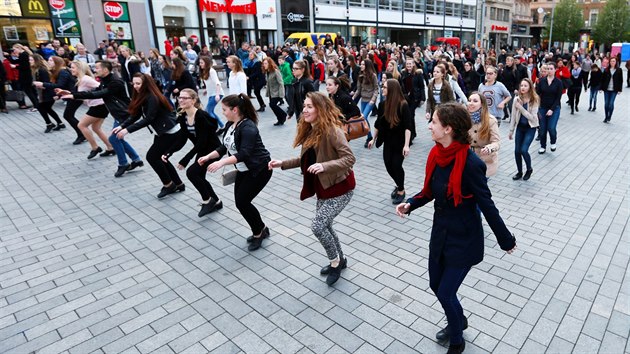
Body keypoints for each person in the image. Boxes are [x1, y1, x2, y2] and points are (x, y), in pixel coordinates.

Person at [395, 102, 517, 354]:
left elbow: (487, 205)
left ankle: (457, 340)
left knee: (446, 292)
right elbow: (430, 191)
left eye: (434, 122)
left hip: (464, 237)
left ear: (448, 128)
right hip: (440, 232)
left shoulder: (471, 165)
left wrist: (506, 240)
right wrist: (411, 204)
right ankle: (458, 320)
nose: (429, 125)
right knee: (435, 285)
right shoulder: (436, 154)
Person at [268, 92, 356, 285]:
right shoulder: (311, 130)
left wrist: (325, 166)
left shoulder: (333, 131)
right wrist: (282, 163)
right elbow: (307, 161)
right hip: (323, 187)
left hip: (340, 187)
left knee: (318, 226)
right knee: (326, 225)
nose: (304, 110)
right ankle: (341, 259)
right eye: (304, 106)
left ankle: (335, 263)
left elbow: (349, 158)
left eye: (309, 106)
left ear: (320, 109)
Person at [198, 94, 273, 251]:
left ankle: (259, 233)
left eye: (225, 109)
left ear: (235, 109)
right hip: (243, 170)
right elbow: (223, 147)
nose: (223, 112)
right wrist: (208, 157)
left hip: (259, 169)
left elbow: (244, 153)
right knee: (241, 202)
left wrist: (221, 162)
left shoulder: (248, 128)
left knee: (242, 202)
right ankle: (261, 228)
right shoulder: (230, 125)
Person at [63, 60, 143, 177]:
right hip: (118, 114)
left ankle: (123, 164)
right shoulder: (105, 80)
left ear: (105, 70)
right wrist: (72, 93)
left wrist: (73, 95)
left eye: (97, 68)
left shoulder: (115, 82)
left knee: (114, 139)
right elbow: (95, 91)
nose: (95, 70)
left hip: (124, 114)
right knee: (118, 139)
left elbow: (98, 94)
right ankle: (136, 160)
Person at [113, 73, 184, 198]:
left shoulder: (152, 97)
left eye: (138, 83)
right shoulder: (143, 95)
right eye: (133, 83)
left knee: (152, 157)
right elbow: (136, 115)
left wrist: (127, 130)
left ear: (146, 83)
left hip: (170, 131)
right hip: (162, 132)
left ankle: (169, 185)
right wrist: (122, 126)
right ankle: (178, 184)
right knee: (161, 158)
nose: (135, 86)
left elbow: (149, 118)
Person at [163, 88, 222, 216]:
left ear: (193, 100)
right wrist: (169, 152)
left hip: (213, 150)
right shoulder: (183, 116)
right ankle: (216, 202)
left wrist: (186, 159)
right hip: (202, 150)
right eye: (180, 97)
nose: (181, 100)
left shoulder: (201, 116)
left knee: (192, 173)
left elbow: (202, 142)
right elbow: (182, 139)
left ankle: (208, 201)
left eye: (185, 98)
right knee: (198, 175)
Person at [367, 79, 412, 204]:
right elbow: (378, 124)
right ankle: (398, 185)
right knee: (388, 165)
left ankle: (401, 190)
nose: (383, 89)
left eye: (385, 87)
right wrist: (373, 139)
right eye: (383, 87)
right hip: (387, 140)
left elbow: (408, 127)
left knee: (396, 165)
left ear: (392, 89)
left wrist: (407, 145)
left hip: (400, 142)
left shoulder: (403, 105)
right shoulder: (383, 105)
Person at [62, 61, 114, 159]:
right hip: (99, 106)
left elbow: (100, 87)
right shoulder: (81, 79)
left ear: (79, 69)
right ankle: (110, 147)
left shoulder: (85, 79)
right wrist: (67, 93)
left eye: (73, 68)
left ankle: (95, 147)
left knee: (81, 125)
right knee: (96, 128)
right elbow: (82, 96)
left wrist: (100, 95)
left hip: (99, 106)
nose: (71, 69)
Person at [33, 56, 85, 143]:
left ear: (56, 62)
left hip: (74, 95)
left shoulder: (62, 71)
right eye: (48, 60)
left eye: (51, 60)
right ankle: (82, 134)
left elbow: (60, 85)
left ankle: (82, 134)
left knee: (68, 115)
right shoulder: (59, 71)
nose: (48, 62)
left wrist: (43, 84)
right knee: (68, 115)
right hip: (71, 95)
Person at [509, 78, 540, 181]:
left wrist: (521, 108)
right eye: (521, 85)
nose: (523, 88)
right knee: (517, 151)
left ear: (530, 87)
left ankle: (529, 169)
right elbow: (513, 116)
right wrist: (511, 130)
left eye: (525, 86)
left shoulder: (534, 99)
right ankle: (519, 172)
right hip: (520, 128)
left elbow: (532, 118)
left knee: (523, 150)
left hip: (530, 128)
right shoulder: (516, 99)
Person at [467, 92, 500, 178]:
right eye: (469, 100)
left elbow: (496, 142)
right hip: (468, 158)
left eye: (475, 101)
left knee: (479, 188)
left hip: (484, 160)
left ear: (482, 104)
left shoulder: (491, 120)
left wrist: (489, 148)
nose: (471, 103)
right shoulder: (465, 118)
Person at [30, 54, 64, 133]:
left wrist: (42, 86)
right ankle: (59, 123)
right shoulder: (35, 69)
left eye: (31, 60)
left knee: (41, 107)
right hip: (44, 92)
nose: (29, 61)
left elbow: (47, 82)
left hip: (48, 93)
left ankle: (49, 123)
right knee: (46, 108)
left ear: (36, 61)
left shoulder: (42, 70)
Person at [535, 63, 563, 154]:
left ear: (555, 70)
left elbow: (558, 98)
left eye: (551, 69)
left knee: (551, 127)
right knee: (542, 129)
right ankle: (543, 146)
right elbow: (537, 93)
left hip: (554, 108)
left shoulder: (558, 82)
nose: (549, 70)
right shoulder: (542, 81)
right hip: (543, 107)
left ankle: (553, 142)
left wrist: (552, 109)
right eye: (548, 69)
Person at [352, 59, 379, 147]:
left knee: (364, 117)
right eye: (361, 64)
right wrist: (353, 97)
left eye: (363, 64)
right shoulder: (360, 76)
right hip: (363, 99)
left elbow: (376, 89)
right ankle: (369, 137)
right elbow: (358, 90)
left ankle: (370, 137)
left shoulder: (373, 76)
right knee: (364, 119)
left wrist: (373, 99)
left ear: (367, 65)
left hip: (370, 100)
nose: (361, 65)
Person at [198, 56, 224, 128]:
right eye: (200, 63)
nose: (200, 64)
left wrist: (217, 95)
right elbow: (210, 83)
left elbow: (217, 83)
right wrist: (206, 90)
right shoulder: (205, 71)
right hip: (211, 94)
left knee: (208, 111)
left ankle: (216, 126)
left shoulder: (211, 71)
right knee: (211, 111)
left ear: (206, 63)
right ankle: (222, 126)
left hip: (216, 93)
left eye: (202, 63)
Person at [262, 58, 287, 126]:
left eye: (266, 63)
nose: (264, 65)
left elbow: (281, 83)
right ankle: (280, 119)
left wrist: (281, 94)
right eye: (263, 63)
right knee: (272, 106)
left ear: (270, 64)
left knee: (272, 105)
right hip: (271, 93)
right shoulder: (267, 72)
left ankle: (283, 115)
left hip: (277, 92)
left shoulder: (276, 71)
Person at [601, 57, 623, 124]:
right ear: (609, 62)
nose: (612, 62)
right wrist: (601, 88)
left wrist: (620, 89)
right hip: (607, 89)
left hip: (614, 90)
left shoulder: (619, 70)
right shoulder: (606, 70)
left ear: (616, 62)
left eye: (613, 61)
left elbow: (620, 80)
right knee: (606, 104)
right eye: (611, 61)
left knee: (611, 104)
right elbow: (602, 79)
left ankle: (609, 115)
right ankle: (606, 116)